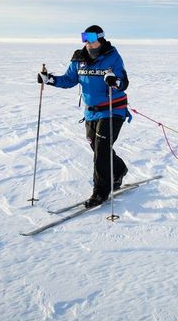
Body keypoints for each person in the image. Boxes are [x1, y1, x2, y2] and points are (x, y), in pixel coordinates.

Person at [37, 25, 130, 208]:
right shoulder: (78, 59)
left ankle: (100, 192)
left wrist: (114, 81)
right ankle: (119, 169)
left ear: (100, 39)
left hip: (112, 110)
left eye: (91, 37)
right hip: (91, 112)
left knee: (102, 148)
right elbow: (69, 80)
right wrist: (51, 79)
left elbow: (123, 82)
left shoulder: (112, 57)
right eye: (84, 37)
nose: (88, 41)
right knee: (98, 148)